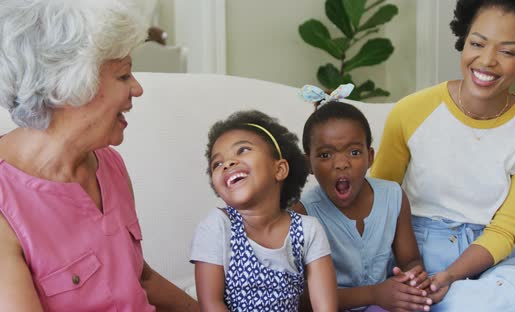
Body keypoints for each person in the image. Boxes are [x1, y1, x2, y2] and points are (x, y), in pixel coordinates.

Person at [371, 0, 515, 310]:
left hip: (489, 256)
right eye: (477, 43)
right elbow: (378, 202)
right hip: (414, 253)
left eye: (507, 52)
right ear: (464, 39)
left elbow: (504, 230)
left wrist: (452, 274)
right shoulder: (411, 112)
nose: (487, 60)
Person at [0, 0, 198, 311]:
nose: (137, 89)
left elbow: (139, 277)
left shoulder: (107, 163)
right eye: (123, 76)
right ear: (67, 87)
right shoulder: (5, 204)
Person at [294, 85, 433, 312]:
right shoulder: (303, 214)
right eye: (326, 155)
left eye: (354, 152)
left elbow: (410, 261)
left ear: (370, 157)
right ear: (308, 163)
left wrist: (412, 280)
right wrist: (374, 294)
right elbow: (301, 299)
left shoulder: (393, 197)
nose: (341, 163)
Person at [191, 110, 338, 311]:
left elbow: (325, 307)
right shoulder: (217, 227)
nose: (228, 163)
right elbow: (211, 304)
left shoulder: (307, 229)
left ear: (279, 170)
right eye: (217, 163)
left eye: (242, 150)